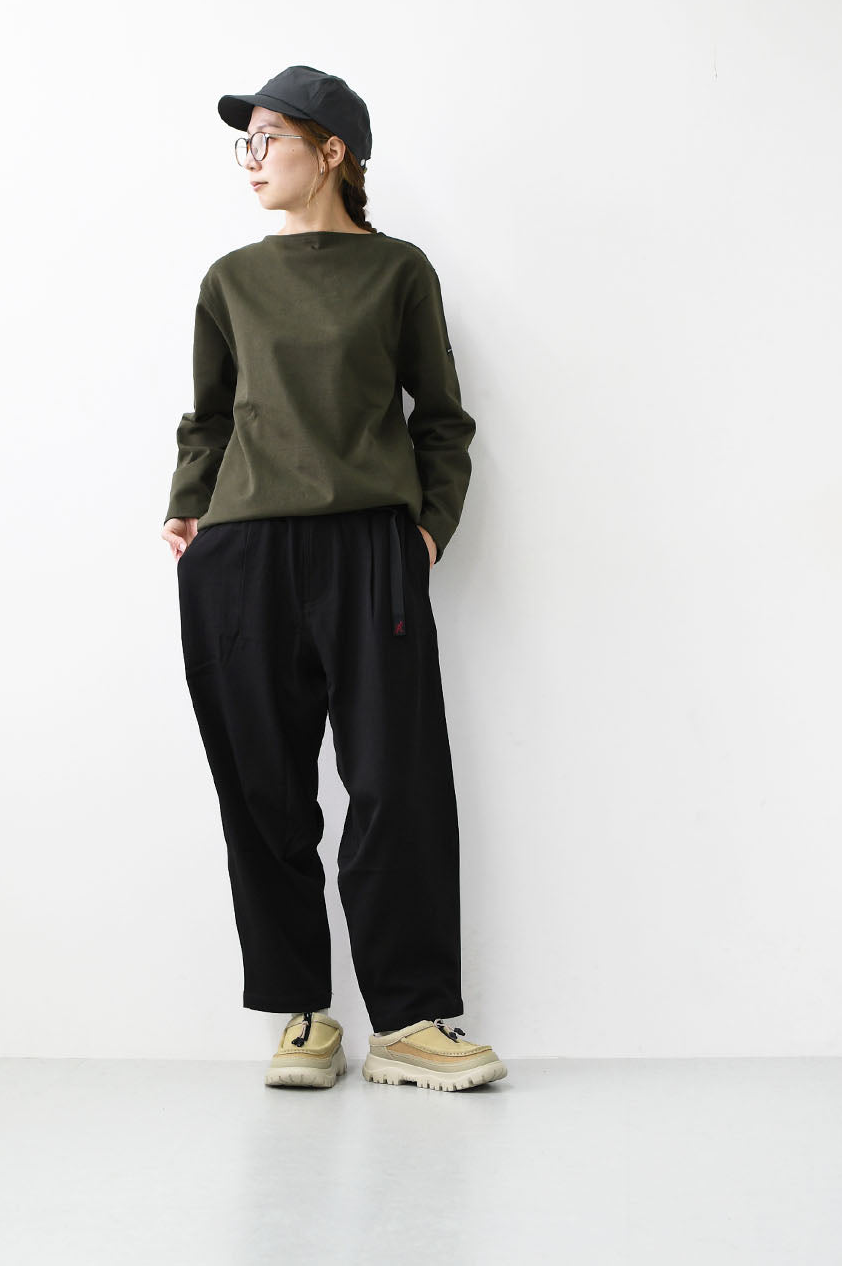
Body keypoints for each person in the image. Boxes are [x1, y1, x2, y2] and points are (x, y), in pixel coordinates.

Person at [162, 65, 507, 1093]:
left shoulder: (398, 272)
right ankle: (303, 1015)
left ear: (332, 152)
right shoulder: (231, 280)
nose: (252, 157)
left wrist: (427, 532)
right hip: (243, 554)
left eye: (269, 136)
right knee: (263, 790)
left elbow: (441, 421)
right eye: (247, 140)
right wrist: (189, 506)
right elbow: (209, 418)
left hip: (371, 551)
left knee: (397, 783)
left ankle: (410, 1022)